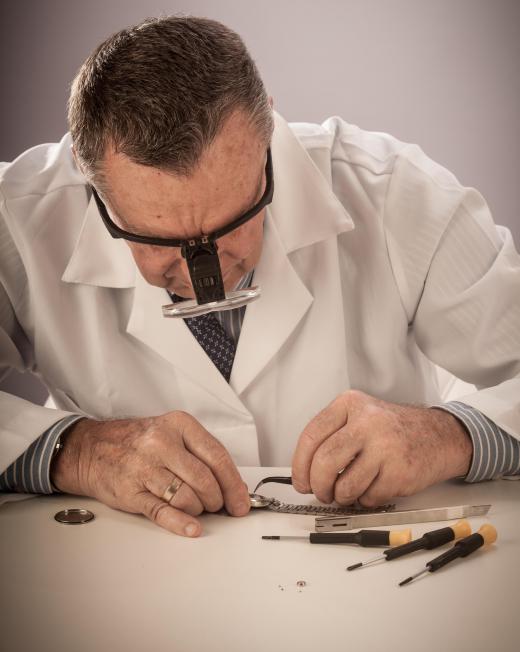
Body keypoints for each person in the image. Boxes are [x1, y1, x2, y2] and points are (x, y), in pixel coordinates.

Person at [1, 16, 519, 537]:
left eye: (233, 222)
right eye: (158, 240)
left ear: (268, 134)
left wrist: (450, 436)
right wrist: (77, 453)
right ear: (89, 182)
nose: (207, 275)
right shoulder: (17, 219)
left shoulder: (398, 195)